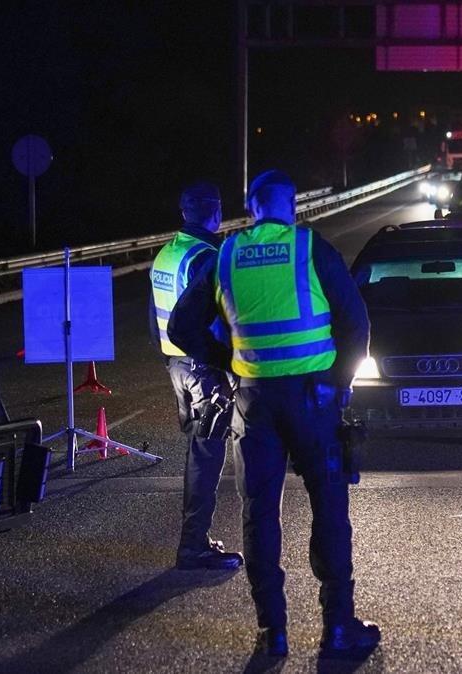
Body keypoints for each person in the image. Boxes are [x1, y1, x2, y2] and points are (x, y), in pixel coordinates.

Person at [169, 170, 377, 658]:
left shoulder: (228, 254)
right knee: (328, 508)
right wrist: (338, 383)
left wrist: (230, 362)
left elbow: (182, 326)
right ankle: (338, 630)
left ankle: (272, 632)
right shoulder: (310, 248)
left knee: (259, 514)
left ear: (251, 207)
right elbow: (357, 321)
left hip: (255, 403)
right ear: (292, 204)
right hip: (313, 401)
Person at [149, 182, 245, 571]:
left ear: (183, 211)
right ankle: (193, 546)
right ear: (215, 211)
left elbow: (156, 318)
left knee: (199, 451)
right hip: (203, 368)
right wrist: (228, 362)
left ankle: (196, 540)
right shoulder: (207, 255)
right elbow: (218, 319)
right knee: (207, 457)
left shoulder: (165, 254)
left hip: (176, 365)